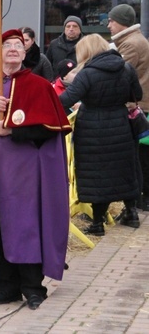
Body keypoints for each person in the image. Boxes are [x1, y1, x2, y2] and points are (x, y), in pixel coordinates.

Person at [0, 29, 71, 311]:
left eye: (18, 45)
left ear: (25, 53)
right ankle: (7, 288)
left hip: (24, 173)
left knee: (24, 226)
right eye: (7, 45)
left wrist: (13, 131)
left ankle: (33, 288)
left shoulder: (39, 86)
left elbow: (51, 131)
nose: (13, 49)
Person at [60, 34, 143, 232]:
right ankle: (131, 213)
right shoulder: (126, 68)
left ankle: (97, 223)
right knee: (125, 169)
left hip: (92, 129)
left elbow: (67, 99)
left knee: (96, 174)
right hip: (121, 124)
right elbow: (137, 95)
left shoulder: (87, 74)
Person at [106, 4, 149, 211]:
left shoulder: (130, 44)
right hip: (140, 104)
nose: (109, 25)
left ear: (121, 22)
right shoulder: (134, 40)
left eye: (111, 21)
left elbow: (120, 76)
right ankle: (142, 199)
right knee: (140, 156)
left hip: (135, 106)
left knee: (136, 158)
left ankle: (139, 200)